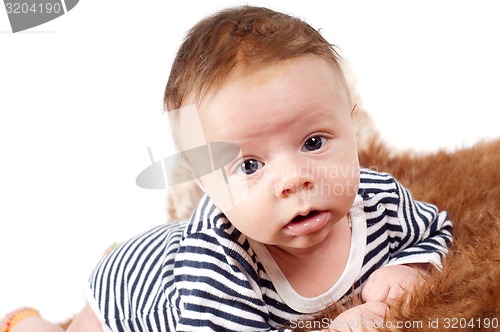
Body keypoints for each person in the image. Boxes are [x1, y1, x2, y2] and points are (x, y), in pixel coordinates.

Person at [1, 5, 452, 332]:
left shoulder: (380, 200)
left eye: (313, 142)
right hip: (134, 289)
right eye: (251, 165)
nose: (294, 179)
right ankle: (26, 321)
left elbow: (437, 231)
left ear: (351, 125)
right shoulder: (220, 262)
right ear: (207, 184)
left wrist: (411, 270)